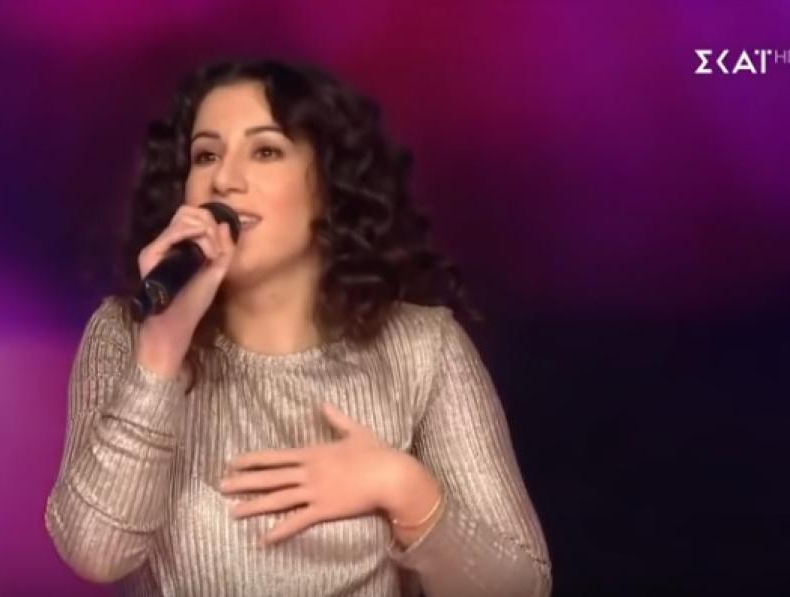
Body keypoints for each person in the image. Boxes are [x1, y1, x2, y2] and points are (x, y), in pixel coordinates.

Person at [44, 57, 551, 596]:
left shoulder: (423, 348)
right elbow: (96, 553)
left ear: (328, 183)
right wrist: (160, 356)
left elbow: (523, 587)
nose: (224, 180)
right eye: (206, 155)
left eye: (265, 151)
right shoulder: (126, 333)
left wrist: (402, 487)